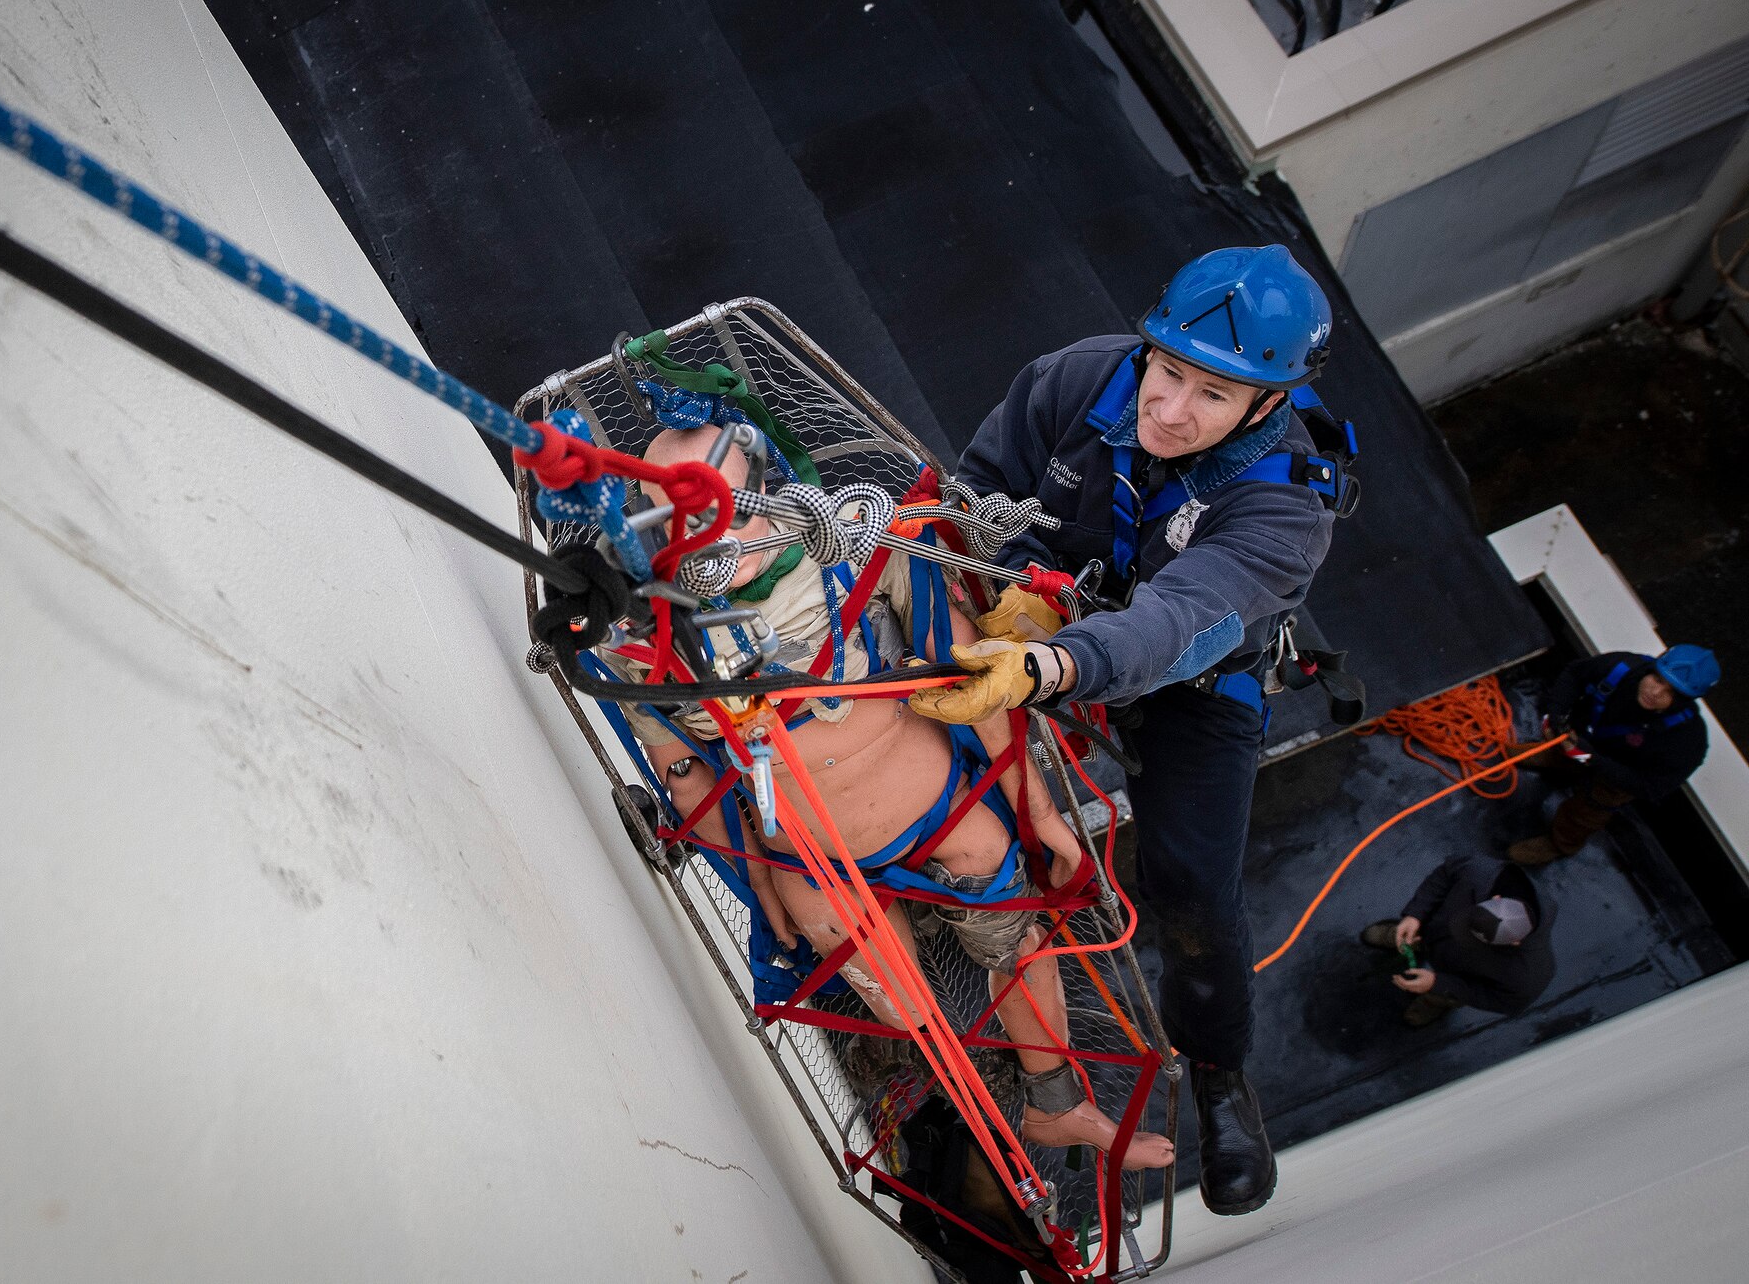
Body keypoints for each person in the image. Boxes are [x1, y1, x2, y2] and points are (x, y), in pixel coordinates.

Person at [906, 244, 1355, 1216]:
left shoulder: (1286, 504)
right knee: (928, 753)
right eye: (1168, 370)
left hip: (1193, 678)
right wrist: (1015, 582)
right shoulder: (1074, 380)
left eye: (1212, 394)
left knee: (1190, 883)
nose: (1170, 409)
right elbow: (981, 491)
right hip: (1034, 622)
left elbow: (1181, 619)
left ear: (1268, 404)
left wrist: (1053, 664)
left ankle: (1220, 1074)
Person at [604, 423, 1175, 1169]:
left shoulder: (857, 539)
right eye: (684, 519)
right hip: (812, 863)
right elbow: (690, 781)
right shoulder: (644, 642)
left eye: (734, 507)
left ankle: (1057, 1103)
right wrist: (756, 885)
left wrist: (1036, 809)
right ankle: (983, 1129)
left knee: (1021, 939)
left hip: (947, 812)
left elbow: (970, 672)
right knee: (907, 1011)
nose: (718, 536)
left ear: (765, 483)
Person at [1507, 646, 1717, 866]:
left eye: (1671, 693)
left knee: (1586, 813)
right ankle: (1555, 757)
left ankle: (1560, 844)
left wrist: (1592, 760)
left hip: (1616, 778)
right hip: (1581, 739)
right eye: (1657, 679)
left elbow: (1650, 787)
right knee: (1561, 746)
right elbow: (1574, 674)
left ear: (1685, 701)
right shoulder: (1620, 667)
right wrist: (1557, 715)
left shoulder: (1687, 744)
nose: (1655, 692)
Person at [1361, 857, 1555, 1027]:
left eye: (1474, 939)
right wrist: (1415, 915)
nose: (1461, 934)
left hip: (1457, 974)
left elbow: (1494, 999)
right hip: (1433, 928)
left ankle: (1435, 1000)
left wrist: (1438, 984)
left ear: (1516, 942)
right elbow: (1445, 873)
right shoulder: (1481, 873)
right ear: (1496, 898)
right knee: (1427, 929)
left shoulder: (1527, 978)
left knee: (1446, 994)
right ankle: (1411, 936)